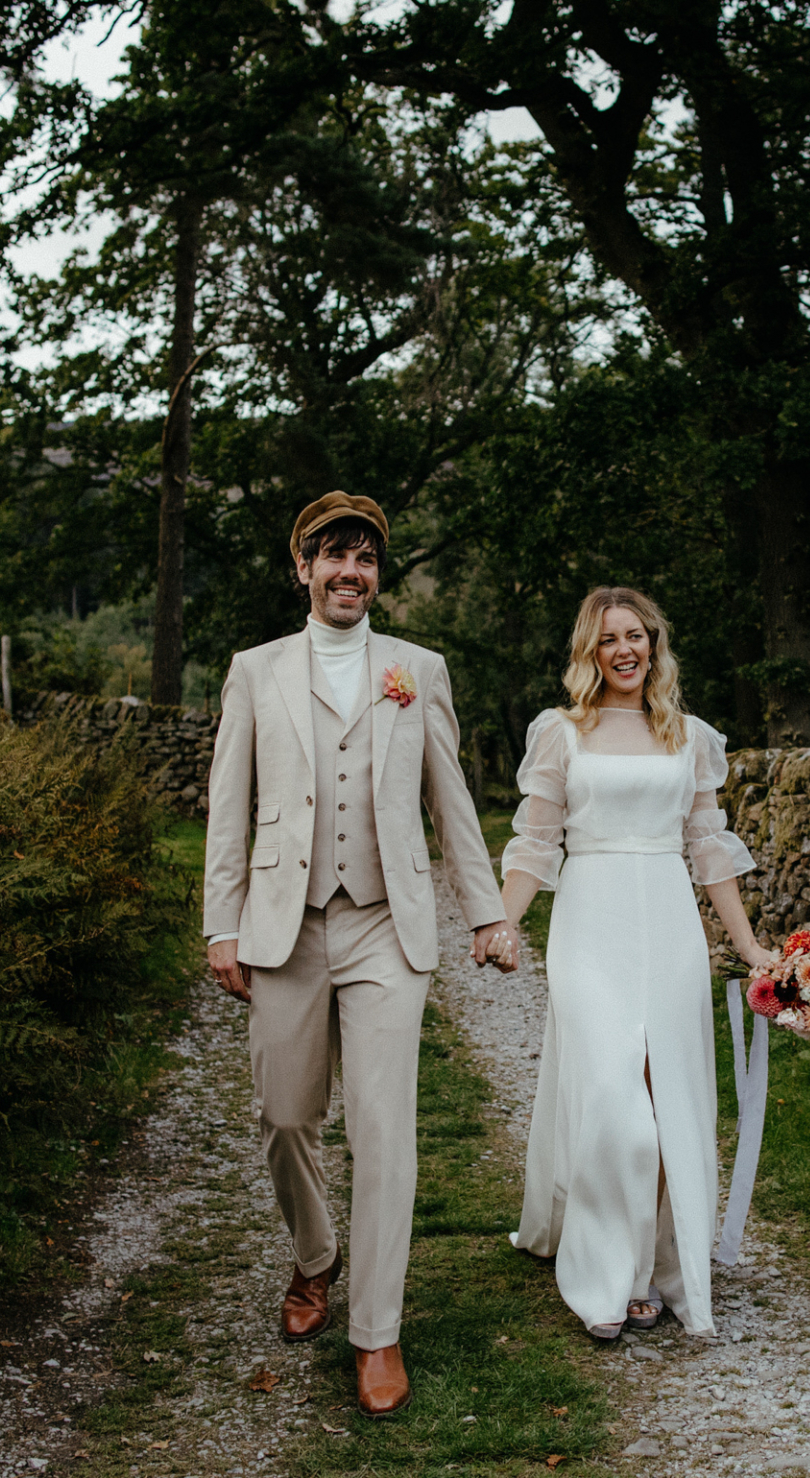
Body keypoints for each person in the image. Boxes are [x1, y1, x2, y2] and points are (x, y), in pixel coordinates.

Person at [202, 491, 510, 1416]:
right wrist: (223, 921)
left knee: (383, 1130)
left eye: (366, 559)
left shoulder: (416, 668)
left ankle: (376, 1329)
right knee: (286, 1116)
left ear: (379, 573)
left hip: (386, 925)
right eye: (333, 557)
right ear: (302, 569)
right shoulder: (255, 670)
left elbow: (452, 798)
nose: (350, 573)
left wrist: (487, 912)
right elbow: (227, 800)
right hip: (284, 925)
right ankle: (314, 1258)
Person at [489, 586, 773, 1340]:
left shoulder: (689, 736)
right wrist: (502, 920)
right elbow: (537, 840)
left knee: (665, 1094)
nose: (626, 649)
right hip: (590, 919)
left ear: (654, 644)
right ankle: (605, 1277)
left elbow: (708, 850)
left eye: (637, 635)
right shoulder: (560, 732)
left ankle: (653, 1270)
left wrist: (747, 948)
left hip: (669, 922)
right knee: (615, 1096)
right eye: (610, 638)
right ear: (590, 650)